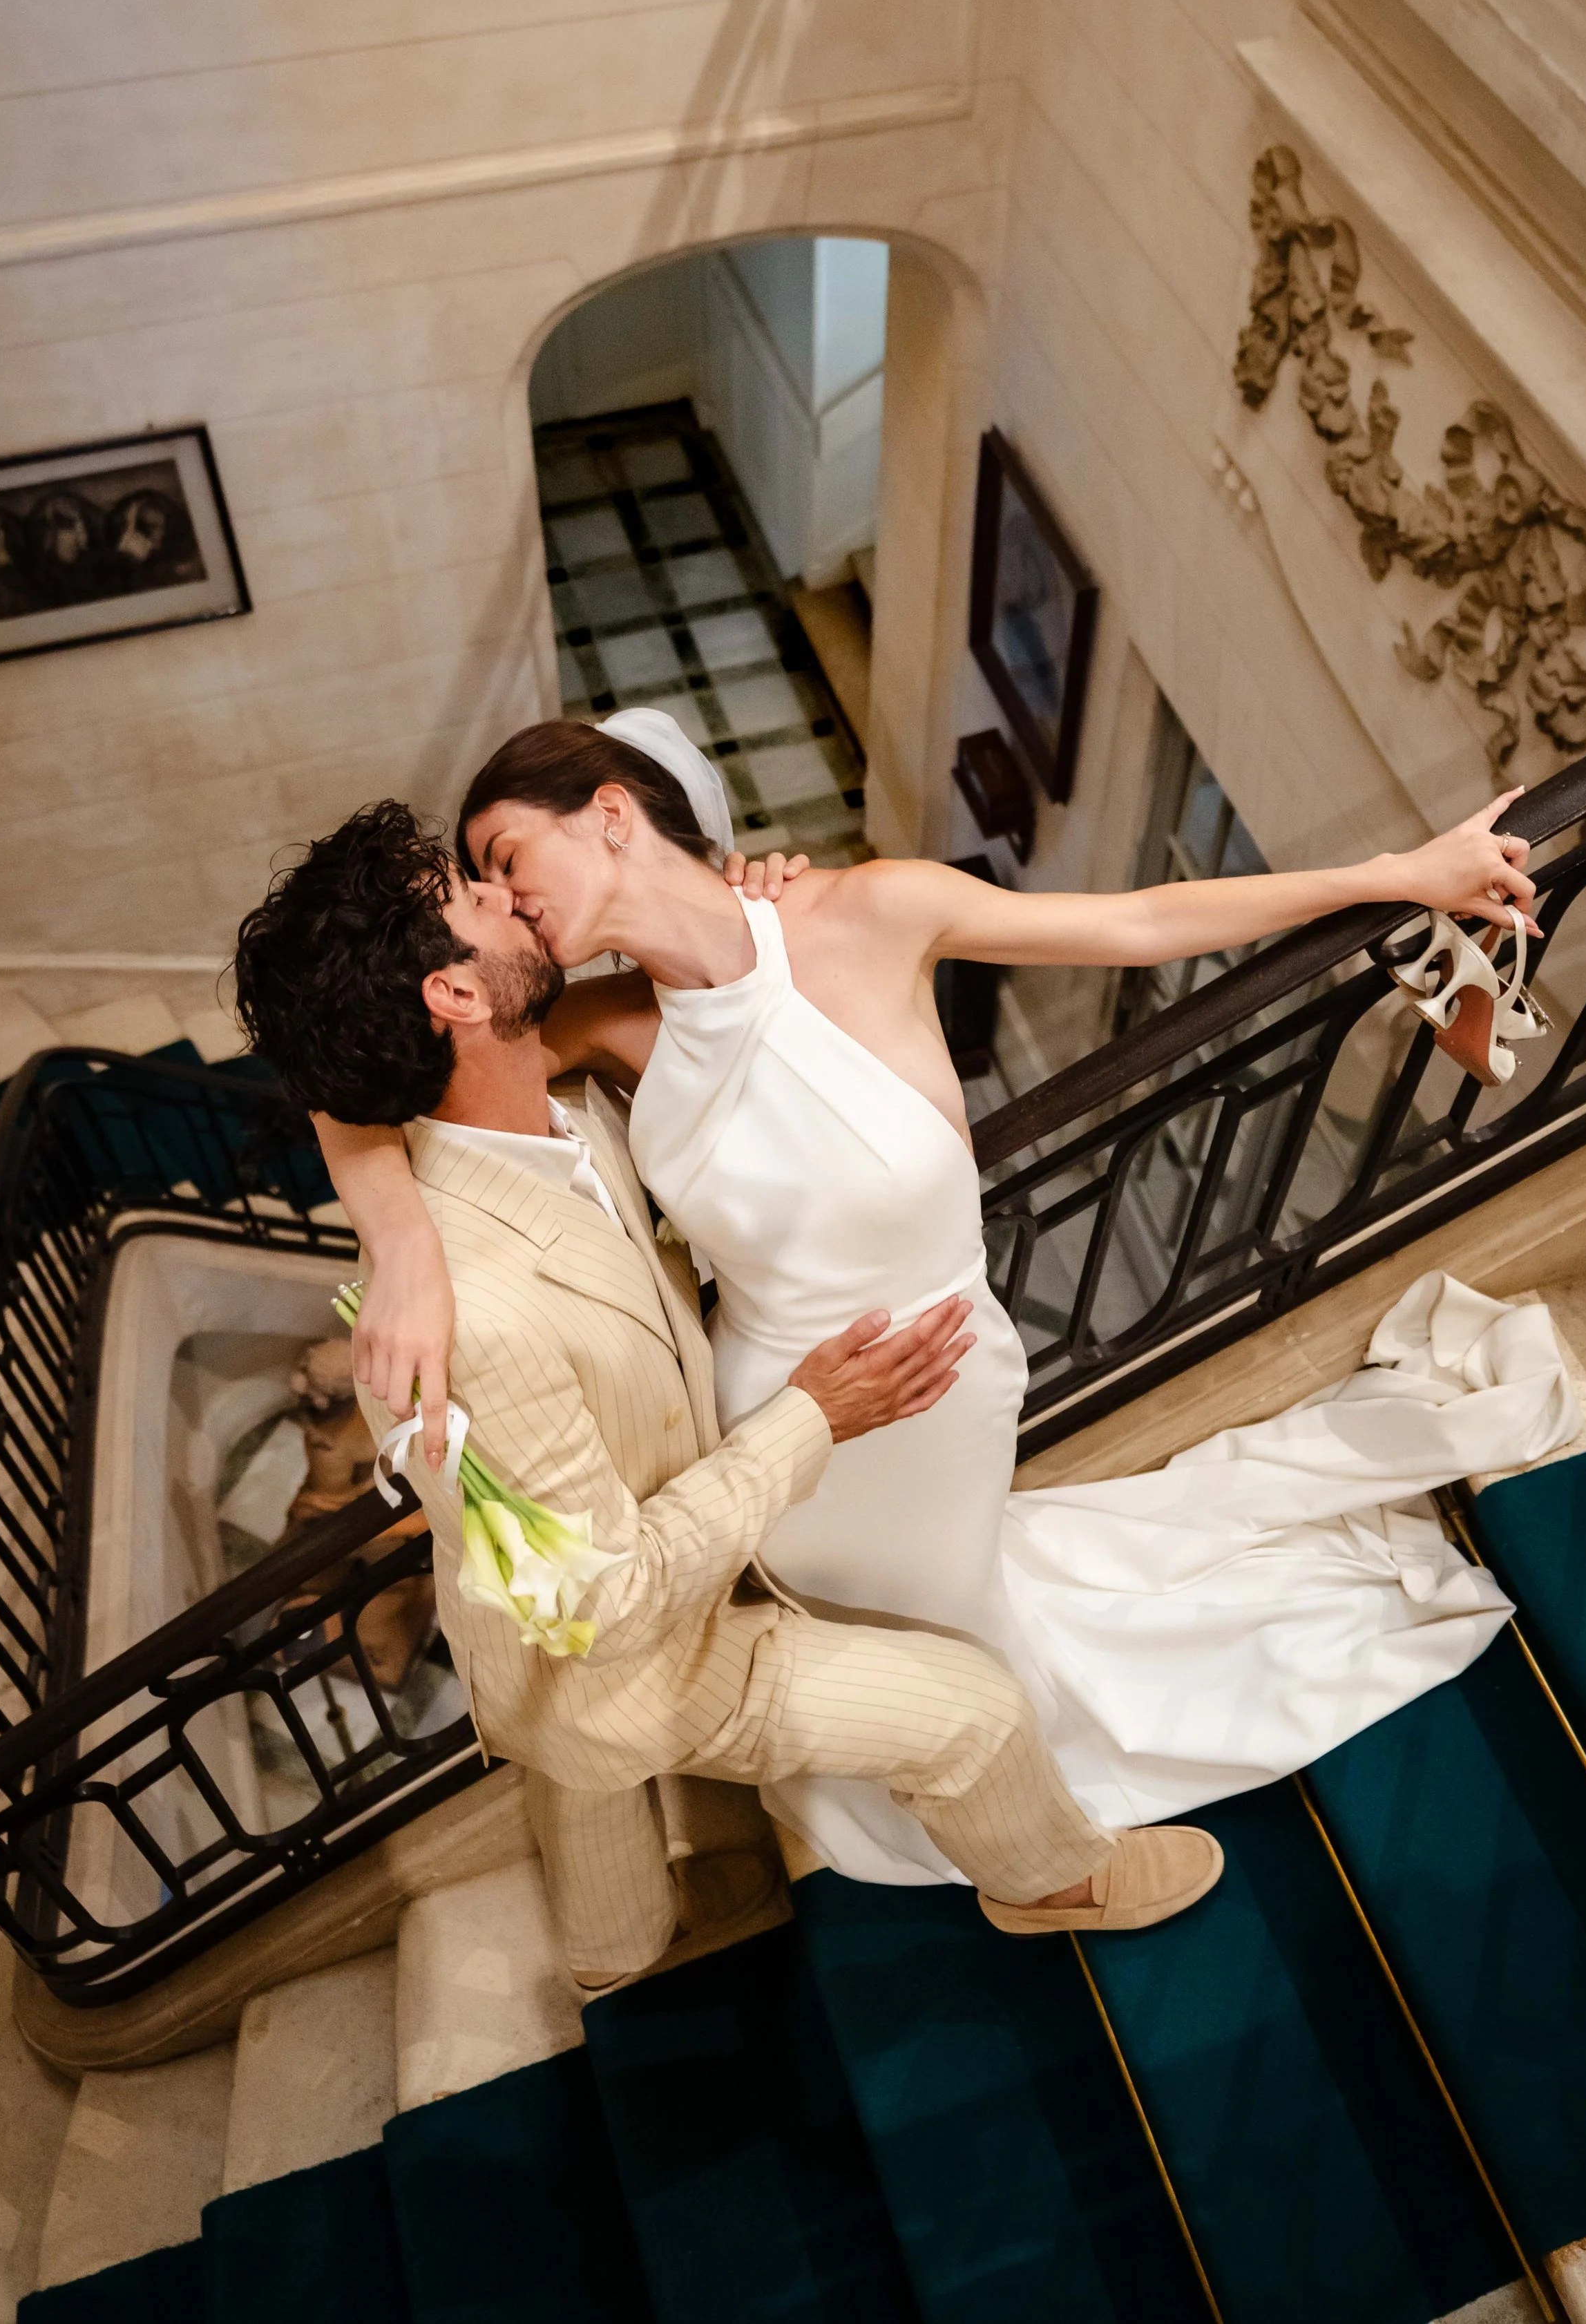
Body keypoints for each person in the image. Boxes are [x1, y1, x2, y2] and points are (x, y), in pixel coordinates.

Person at [312, 714, 1575, 1887]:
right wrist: (403, 1243)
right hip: (778, 1422)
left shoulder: (871, 910)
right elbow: (348, 1074)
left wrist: (1396, 875)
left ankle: (1014, 1777)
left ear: (606, 811)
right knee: (890, 1645)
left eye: (505, 856)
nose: (504, 895)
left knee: (969, 1614)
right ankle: (979, 1795)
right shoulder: (600, 1020)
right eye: (481, 880)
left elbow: (1143, 920)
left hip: (942, 1390)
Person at [233, 803, 1227, 1986]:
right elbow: (605, 1606)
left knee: (585, 1798)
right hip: (628, 1647)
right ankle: (1051, 1881)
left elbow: (347, 1101)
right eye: (475, 896)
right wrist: (814, 1413)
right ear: (451, 994)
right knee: (974, 1713)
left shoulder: (561, 1111)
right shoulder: (475, 1318)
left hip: (534, 1633)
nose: (509, 897)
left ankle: (611, 1958)